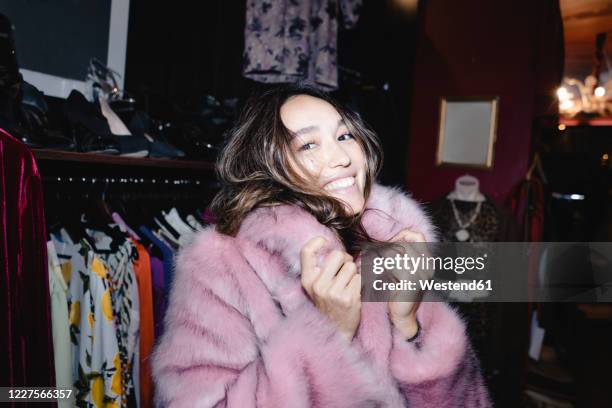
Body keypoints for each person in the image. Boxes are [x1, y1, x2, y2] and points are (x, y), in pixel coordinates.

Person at [151, 83, 491, 407]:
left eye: (344, 135)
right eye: (308, 145)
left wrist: (408, 324)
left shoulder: (388, 247)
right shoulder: (221, 265)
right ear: (268, 168)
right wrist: (326, 331)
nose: (342, 156)